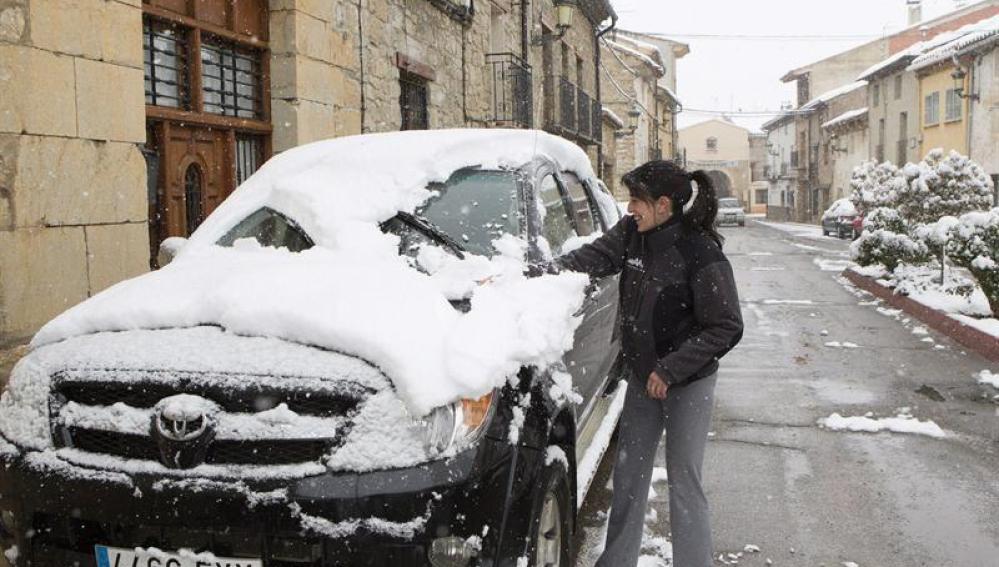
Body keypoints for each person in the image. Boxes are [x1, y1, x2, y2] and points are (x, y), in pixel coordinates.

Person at [555, 160, 743, 567]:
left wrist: (671, 369)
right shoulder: (631, 236)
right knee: (628, 478)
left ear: (662, 205)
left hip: (688, 383)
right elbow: (592, 257)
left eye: (636, 200)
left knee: (683, 482)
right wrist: (537, 273)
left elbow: (726, 326)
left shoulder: (700, 251)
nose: (628, 208)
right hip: (643, 379)